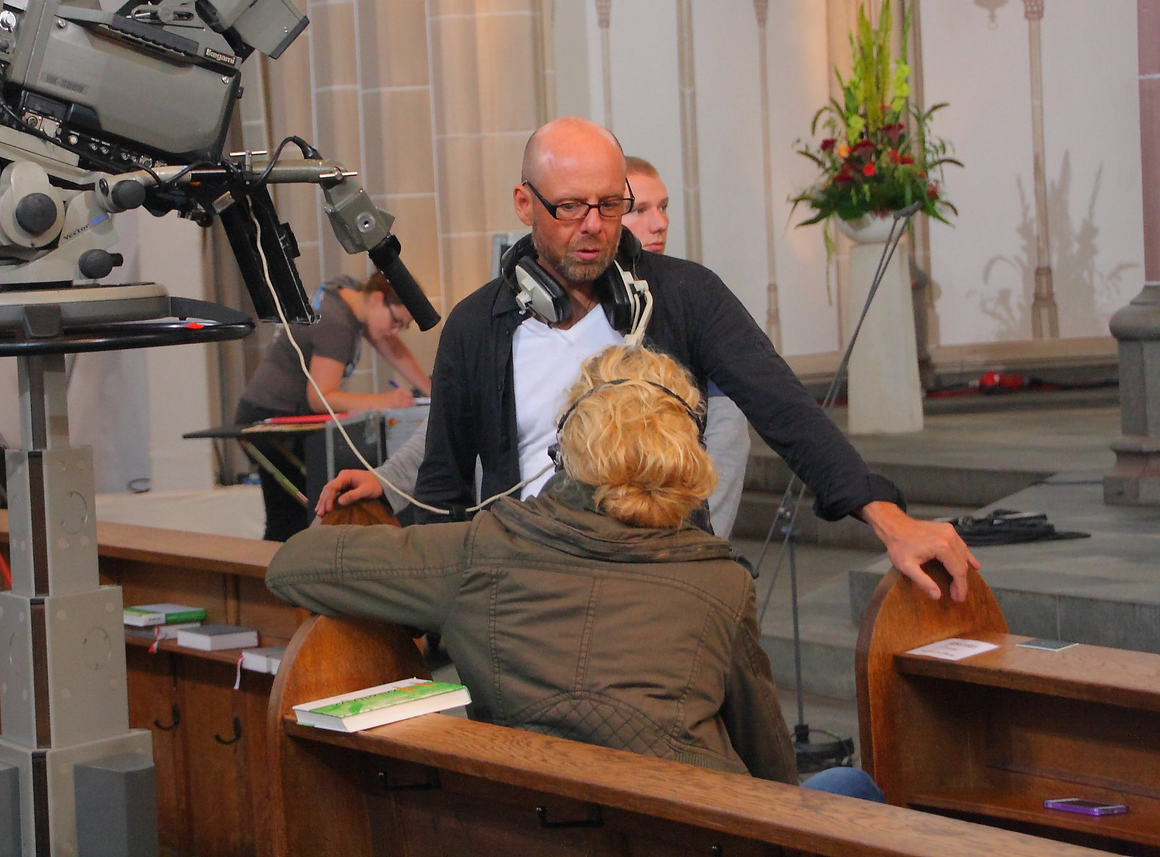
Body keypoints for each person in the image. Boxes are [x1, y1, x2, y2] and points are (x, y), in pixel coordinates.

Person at [321, 117, 976, 602]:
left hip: (659, 580)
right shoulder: (475, 327)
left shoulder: (683, 296)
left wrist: (886, 518)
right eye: (570, 207)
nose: (593, 226)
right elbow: (444, 488)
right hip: (524, 592)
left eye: (610, 206)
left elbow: (785, 408)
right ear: (526, 204)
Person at [272, 345, 878, 796]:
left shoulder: (483, 549)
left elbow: (293, 565)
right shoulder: (720, 582)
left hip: (536, 822)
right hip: (691, 828)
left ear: (565, 449)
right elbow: (772, 772)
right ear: (687, 455)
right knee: (850, 786)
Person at [235, 273, 430, 541]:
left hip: (272, 412)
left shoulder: (348, 292)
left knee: (292, 515)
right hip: (269, 418)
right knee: (289, 519)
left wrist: (434, 392)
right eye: (396, 321)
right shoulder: (337, 324)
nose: (395, 331)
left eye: (403, 326)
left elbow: (387, 342)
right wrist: (383, 400)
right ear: (377, 298)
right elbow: (320, 397)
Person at [622, 155, 749, 538]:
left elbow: (728, 424)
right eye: (641, 210)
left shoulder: (690, 291)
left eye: (662, 207)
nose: (660, 223)